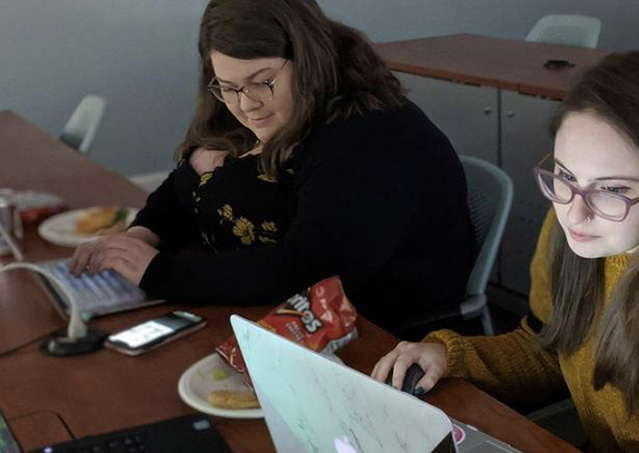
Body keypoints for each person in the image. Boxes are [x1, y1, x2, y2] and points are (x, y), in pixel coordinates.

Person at [372, 51, 639, 451]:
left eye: (613, 189)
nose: (574, 213)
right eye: (564, 175)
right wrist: (451, 356)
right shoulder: (571, 223)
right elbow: (549, 352)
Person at [69, 0, 475, 336]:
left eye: (261, 81)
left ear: (308, 58)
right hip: (272, 312)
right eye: (227, 87)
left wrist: (160, 272)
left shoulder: (369, 135)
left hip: (378, 333)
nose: (245, 105)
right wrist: (143, 235)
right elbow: (186, 184)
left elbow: (308, 270)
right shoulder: (261, 99)